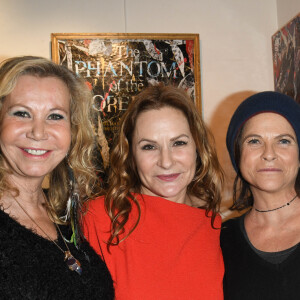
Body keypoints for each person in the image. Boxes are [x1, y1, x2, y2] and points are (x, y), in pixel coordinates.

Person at [83, 84, 224, 300]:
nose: (166, 162)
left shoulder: (213, 226)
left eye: (179, 143)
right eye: (149, 147)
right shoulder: (100, 218)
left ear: (198, 148)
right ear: (130, 154)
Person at [0, 56, 114, 299]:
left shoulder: (66, 213)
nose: (38, 132)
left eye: (55, 116)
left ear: (73, 129)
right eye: (21, 113)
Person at [221, 91, 300, 300]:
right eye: (254, 141)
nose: (269, 153)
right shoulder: (221, 240)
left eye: (283, 141)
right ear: (238, 155)